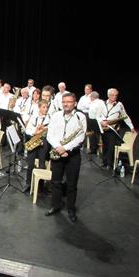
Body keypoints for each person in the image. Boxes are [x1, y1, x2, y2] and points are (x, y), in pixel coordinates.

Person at [45, 93, 86, 222]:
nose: (66, 104)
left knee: (71, 184)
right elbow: (50, 134)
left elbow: (81, 136)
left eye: (69, 101)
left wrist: (66, 148)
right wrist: (59, 148)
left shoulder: (80, 117)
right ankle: (55, 205)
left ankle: (70, 209)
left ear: (75, 103)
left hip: (72, 155)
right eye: (64, 102)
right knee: (55, 182)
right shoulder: (56, 115)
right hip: (57, 152)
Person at [97, 88, 136, 169]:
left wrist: (131, 127)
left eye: (116, 95)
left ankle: (109, 164)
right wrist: (101, 121)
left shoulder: (119, 104)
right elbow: (97, 115)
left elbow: (125, 116)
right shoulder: (102, 104)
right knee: (105, 145)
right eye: (112, 95)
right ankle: (104, 162)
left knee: (111, 146)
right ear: (108, 95)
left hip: (113, 128)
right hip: (103, 127)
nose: (114, 97)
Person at [24, 99, 50, 192]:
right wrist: (35, 131)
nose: (46, 109)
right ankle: (28, 184)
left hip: (43, 141)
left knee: (42, 164)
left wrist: (44, 130)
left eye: (47, 107)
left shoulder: (49, 118)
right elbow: (27, 130)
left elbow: (50, 131)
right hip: (34, 139)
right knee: (30, 163)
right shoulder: (33, 117)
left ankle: (40, 186)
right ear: (39, 107)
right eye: (44, 107)